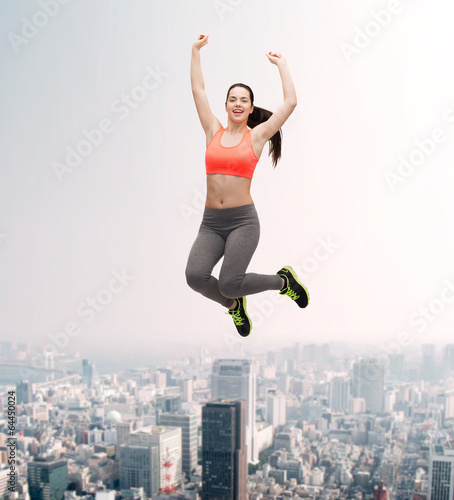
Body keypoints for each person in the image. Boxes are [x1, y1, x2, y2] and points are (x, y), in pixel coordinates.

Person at [185, 34, 309, 337]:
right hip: (211, 223)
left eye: (244, 100)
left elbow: (290, 102)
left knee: (229, 283)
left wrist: (281, 65)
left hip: (242, 222)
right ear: (226, 106)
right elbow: (197, 89)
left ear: (251, 108)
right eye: (233, 99)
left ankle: (284, 282)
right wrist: (195, 51)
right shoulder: (212, 130)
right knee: (195, 276)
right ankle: (233, 307)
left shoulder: (255, 137)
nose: (238, 104)